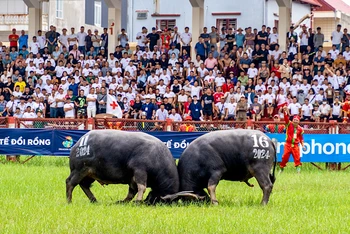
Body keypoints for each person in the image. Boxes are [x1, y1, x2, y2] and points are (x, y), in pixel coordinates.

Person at [280, 106, 306, 173]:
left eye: (297, 120)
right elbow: (286, 119)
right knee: (285, 157)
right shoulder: (289, 124)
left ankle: (298, 171)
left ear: (298, 121)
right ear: (293, 120)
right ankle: (281, 169)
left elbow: (301, 138)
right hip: (288, 144)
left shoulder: (300, 129)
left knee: (297, 158)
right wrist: (285, 112)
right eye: (294, 120)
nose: (295, 121)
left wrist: (303, 145)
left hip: (295, 145)